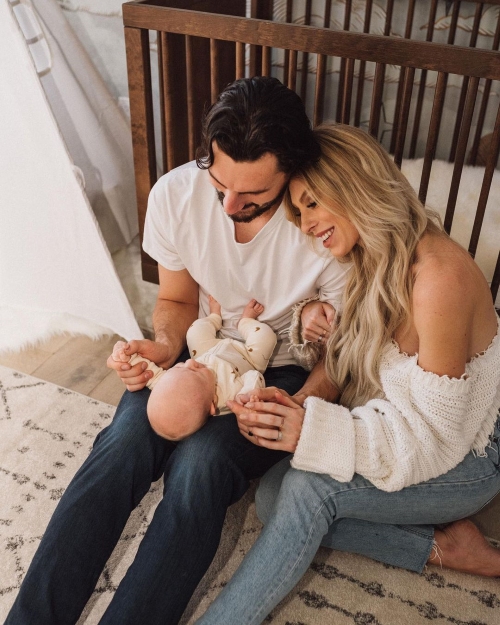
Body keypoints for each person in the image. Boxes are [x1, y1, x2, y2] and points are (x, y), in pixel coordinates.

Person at [6, 77, 349, 625]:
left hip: (279, 371)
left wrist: (304, 407)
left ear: (292, 172)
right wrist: (163, 346)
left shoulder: (324, 223)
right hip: (197, 351)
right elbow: (175, 297)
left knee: (200, 466)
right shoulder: (174, 194)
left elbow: (343, 352)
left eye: (251, 197)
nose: (229, 204)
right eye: (219, 187)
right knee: (121, 445)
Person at [196, 123, 500, 624]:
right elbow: (353, 359)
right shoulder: (373, 255)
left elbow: (437, 440)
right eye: (298, 209)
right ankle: (443, 548)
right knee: (273, 497)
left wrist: (314, 429)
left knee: (309, 491)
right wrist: (312, 325)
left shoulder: (439, 280)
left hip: (468, 458)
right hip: (420, 435)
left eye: (313, 203)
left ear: (355, 184)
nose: (305, 222)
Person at [112, 296, 277, 440]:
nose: (190, 363)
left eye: (180, 366)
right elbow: (254, 376)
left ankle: (214, 317)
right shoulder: (230, 395)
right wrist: (248, 396)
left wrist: (127, 356)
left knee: (194, 333)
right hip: (247, 356)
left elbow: (151, 373)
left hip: (208, 349)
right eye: (196, 370)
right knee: (266, 338)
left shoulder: (169, 383)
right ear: (213, 403)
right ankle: (246, 322)